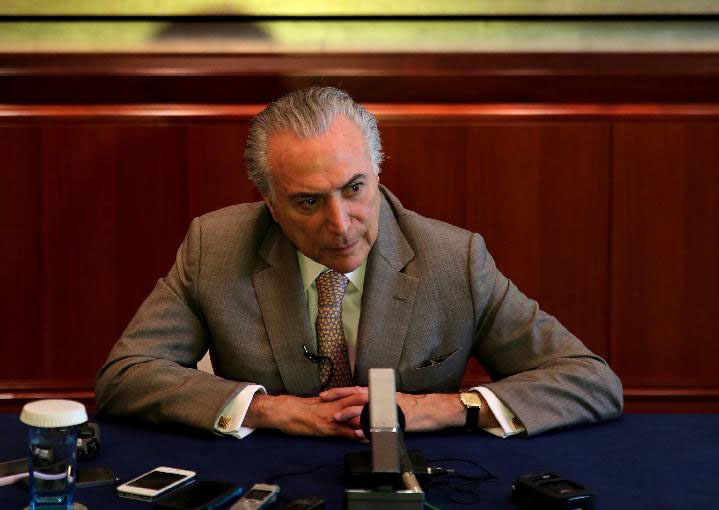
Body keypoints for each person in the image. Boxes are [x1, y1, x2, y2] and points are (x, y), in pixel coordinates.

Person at [95, 87, 623, 441]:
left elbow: (590, 380)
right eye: (308, 201)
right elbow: (125, 376)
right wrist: (271, 409)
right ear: (271, 205)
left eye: (354, 189)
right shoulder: (215, 246)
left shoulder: (454, 259)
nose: (341, 224)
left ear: (377, 172)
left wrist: (441, 407)